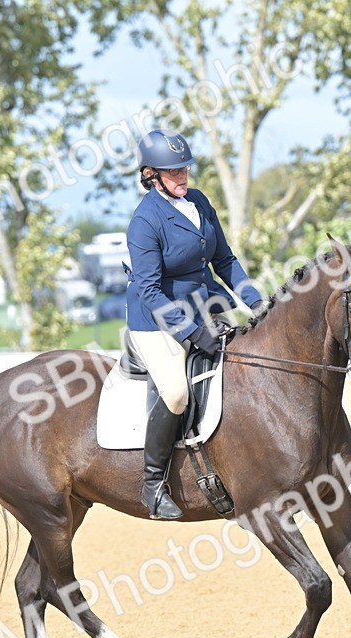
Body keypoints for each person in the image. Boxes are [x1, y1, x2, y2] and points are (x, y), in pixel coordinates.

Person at [126, 129, 264, 519]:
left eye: (184, 168)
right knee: (175, 392)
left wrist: (256, 302)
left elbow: (224, 261)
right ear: (151, 175)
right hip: (156, 320)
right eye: (173, 172)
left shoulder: (199, 203)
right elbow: (150, 291)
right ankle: (152, 485)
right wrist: (191, 332)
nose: (182, 176)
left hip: (204, 306)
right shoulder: (145, 221)